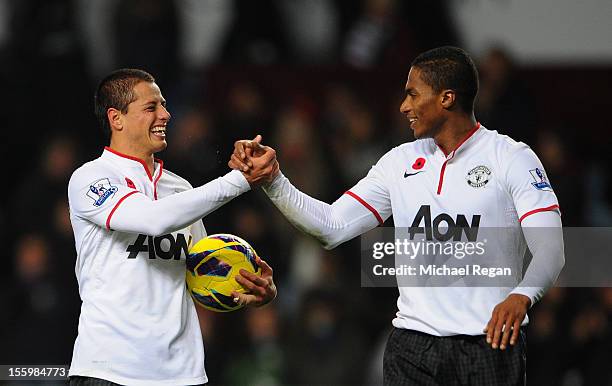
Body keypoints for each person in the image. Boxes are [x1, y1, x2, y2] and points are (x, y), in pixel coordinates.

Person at [230, 46, 565, 385]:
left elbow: (551, 249)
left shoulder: (511, 158)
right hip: (412, 346)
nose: (404, 106)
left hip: (488, 343)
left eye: (413, 94)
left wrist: (523, 294)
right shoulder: (399, 162)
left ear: (446, 98)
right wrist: (274, 181)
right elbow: (331, 226)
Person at [67, 68, 278, 386]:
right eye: (151, 107)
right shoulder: (92, 179)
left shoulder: (180, 189)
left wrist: (253, 289)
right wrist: (240, 180)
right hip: (109, 371)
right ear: (117, 118)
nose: (165, 114)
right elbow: (153, 220)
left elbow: (203, 276)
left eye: (163, 105)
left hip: (182, 375)